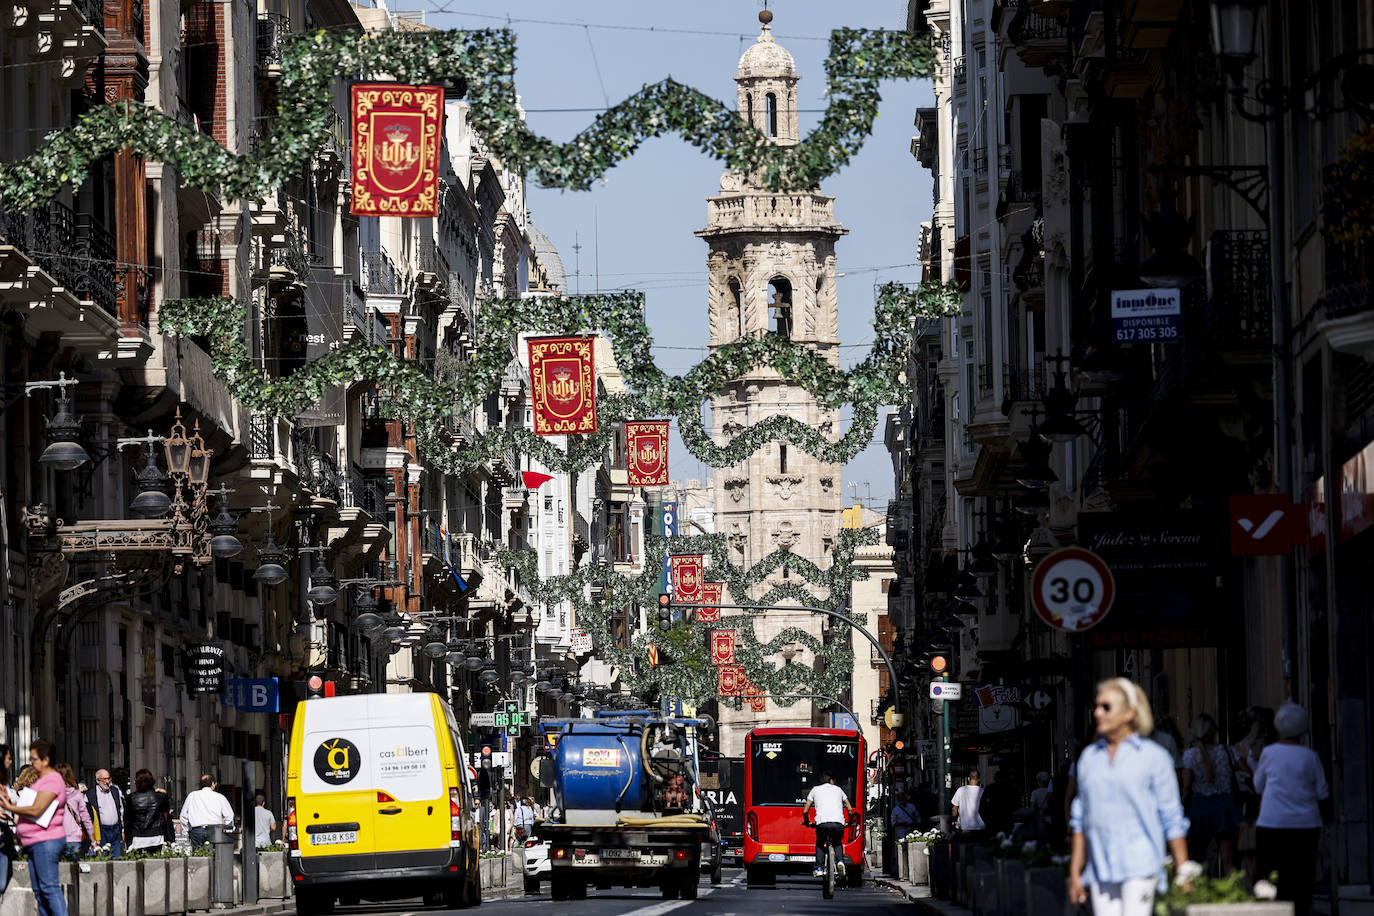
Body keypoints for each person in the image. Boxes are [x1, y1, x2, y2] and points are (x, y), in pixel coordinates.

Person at [1068, 679, 1194, 916]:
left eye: (1106, 707)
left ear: (1129, 713)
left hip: (1141, 863)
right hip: (1100, 867)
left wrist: (1183, 868)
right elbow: (1080, 818)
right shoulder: (1089, 759)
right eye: (1096, 707)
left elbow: (1171, 817)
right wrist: (1075, 872)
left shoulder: (1153, 757)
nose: (1097, 713)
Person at [1252, 702, 1329, 916]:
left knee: (1272, 876)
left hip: (1272, 823)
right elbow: (1322, 791)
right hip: (1305, 825)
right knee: (1302, 879)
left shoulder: (1269, 753)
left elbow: (1258, 786)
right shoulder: (1310, 756)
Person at [0, 740, 69, 916]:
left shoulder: (53, 780)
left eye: (34, 758)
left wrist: (10, 807)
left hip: (45, 841)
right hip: (35, 842)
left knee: (49, 888)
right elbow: (26, 809)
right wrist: (11, 804)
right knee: (40, 890)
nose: (31, 762)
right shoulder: (41, 781)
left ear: (45, 760)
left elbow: (37, 809)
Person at [1181, 713, 1239, 875]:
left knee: (1198, 857)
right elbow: (1245, 772)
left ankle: (1200, 891)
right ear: (1214, 731)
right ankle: (1232, 891)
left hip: (1201, 806)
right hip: (1225, 806)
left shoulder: (1191, 755)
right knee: (1228, 858)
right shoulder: (1227, 751)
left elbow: (1186, 786)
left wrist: (1182, 803)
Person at [1232, 706, 1276, 881]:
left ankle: (1254, 882)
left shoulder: (1241, 747)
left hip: (1251, 798)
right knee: (1266, 845)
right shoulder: (1274, 744)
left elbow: (1245, 772)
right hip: (1271, 797)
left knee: (1250, 846)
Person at [802, 770, 853, 879]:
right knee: (837, 842)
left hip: (822, 823)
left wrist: (807, 822)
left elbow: (805, 810)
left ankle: (819, 868)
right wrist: (850, 820)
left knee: (820, 842)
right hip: (838, 822)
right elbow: (849, 808)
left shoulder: (815, 789)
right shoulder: (839, 790)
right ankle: (840, 861)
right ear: (831, 780)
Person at [180, 774, 235, 848]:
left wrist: (186, 830)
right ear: (213, 784)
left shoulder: (192, 796)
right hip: (215, 831)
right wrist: (226, 829)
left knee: (198, 857)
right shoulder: (219, 797)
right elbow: (229, 815)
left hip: (197, 831)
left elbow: (183, 816)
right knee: (215, 856)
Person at [124, 769, 170, 852]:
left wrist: (128, 840)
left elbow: (128, 821)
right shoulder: (160, 797)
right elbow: (167, 818)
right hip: (156, 835)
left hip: (138, 836)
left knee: (139, 862)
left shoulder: (131, 798)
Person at [55, 764, 93, 859]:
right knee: (74, 871)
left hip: (55, 837)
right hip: (74, 837)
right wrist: (92, 837)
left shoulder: (51, 794)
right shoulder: (76, 794)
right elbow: (85, 817)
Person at [86, 769, 125, 858]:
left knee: (117, 858)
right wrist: (93, 837)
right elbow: (88, 817)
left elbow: (121, 810)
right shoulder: (91, 794)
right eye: (104, 779)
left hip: (115, 830)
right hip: (102, 831)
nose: (107, 782)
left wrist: (122, 830)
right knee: (103, 858)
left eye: (108, 778)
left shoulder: (115, 791)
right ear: (97, 780)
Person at [951, 770, 986, 834]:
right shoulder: (983, 791)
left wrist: (954, 820)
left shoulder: (960, 790)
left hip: (963, 827)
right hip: (980, 827)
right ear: (978, 779)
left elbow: (954, 809)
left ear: (968, 778)